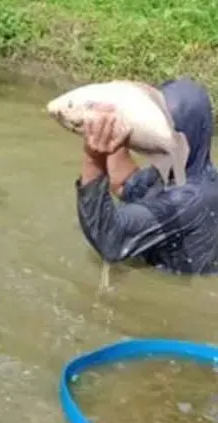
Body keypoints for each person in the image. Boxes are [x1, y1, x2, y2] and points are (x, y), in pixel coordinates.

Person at [76, 77, 218, 275]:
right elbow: (124, 185)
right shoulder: (177, 173)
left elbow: (110, 242)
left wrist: (94, 158)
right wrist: (113, 135)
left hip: (175, 293)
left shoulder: (186, 200)